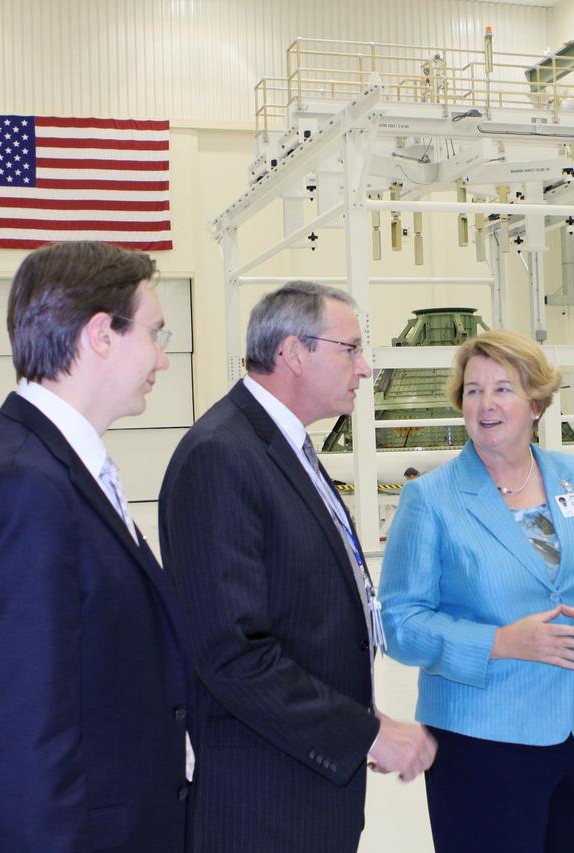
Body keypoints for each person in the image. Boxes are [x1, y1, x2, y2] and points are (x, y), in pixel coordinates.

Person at [0, 241, 192, 852]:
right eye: (155, 332)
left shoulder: (54, 466)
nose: (164, 357)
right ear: (102, 335)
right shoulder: (21, 488)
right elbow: (20, 752)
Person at [159, 281, 435, 853]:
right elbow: (233, 653)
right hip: (263, 797)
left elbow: (300, 613)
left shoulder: (286, 448)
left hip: (305, 781)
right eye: (351, 349)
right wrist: (366, 732)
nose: (363, 369)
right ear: (292, 353)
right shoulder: (222, 455)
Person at [379, 330, 574, 853]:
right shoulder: (430, 500)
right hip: (483, 743)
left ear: (535, 402)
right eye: (473, 389)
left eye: (503, 388)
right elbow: (399, 623)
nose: (485, 403)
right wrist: (502, 641)